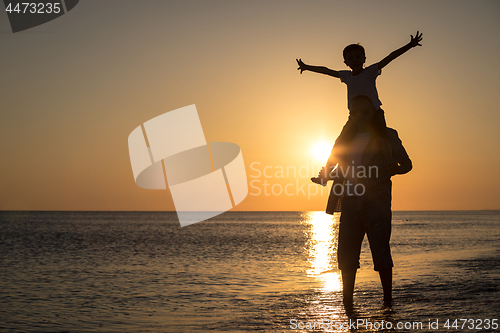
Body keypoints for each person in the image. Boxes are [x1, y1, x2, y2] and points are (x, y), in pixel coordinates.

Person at [319, 95, 412, 309]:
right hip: (350, 202)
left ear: (373, 112)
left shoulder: (387, 136)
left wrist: (390, 170)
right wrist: (324, 177)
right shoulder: (345, 139)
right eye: (354, 112)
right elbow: (335, 169)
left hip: (376, 203)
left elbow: (406, 164)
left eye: (364, 112)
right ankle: (347, 305)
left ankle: (388, 303)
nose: (359, 116)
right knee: (346, 256)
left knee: (380, 253)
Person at [297, 31, 422, 178]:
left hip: (374, 112)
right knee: (341, 142)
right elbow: (326, 71)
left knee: (382, 137)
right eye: (350, 58)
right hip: (355, 116)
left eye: (358, 57)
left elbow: (390, 57)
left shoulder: (370, 72)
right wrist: (307, 67)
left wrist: (410, 45)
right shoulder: (346, 76)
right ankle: (327, 172)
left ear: (364, 59)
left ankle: (390, 164)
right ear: (346, 62)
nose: (355, 60)